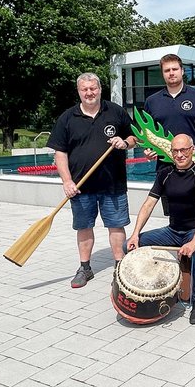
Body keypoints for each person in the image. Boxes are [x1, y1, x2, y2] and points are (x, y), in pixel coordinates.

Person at [142, 53, 195, 288]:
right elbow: (150, 136)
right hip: (167, 171)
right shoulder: (152, 101)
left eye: (175, 69)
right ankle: (184, 266)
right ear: (163, 73)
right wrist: (149, 151)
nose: (171, 73)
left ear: (182, 71)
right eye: (167, 70)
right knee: (177, 219)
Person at [48, 72, 137, 288]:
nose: (89, 92)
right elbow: (60, 153)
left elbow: (135, 137)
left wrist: (125, 143)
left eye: (93, 88)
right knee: (84, 227)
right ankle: (85, 268)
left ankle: (120, 265)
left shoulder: (115, 112)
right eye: (84, 89)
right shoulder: (67, 118)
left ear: (99, 89)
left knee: (116, 226)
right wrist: (67, 182)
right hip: (81, 187)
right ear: (79, 92)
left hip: (113, 184)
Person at [127, 134, 195, 325]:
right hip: (174, 231)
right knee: (137, 242)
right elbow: (148, 204)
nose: (180, 154)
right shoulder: (165, 174)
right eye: (175, 150)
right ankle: (141, 290)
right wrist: (134, 234)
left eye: (184, 150)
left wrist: (194, 242)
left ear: (192, 150)